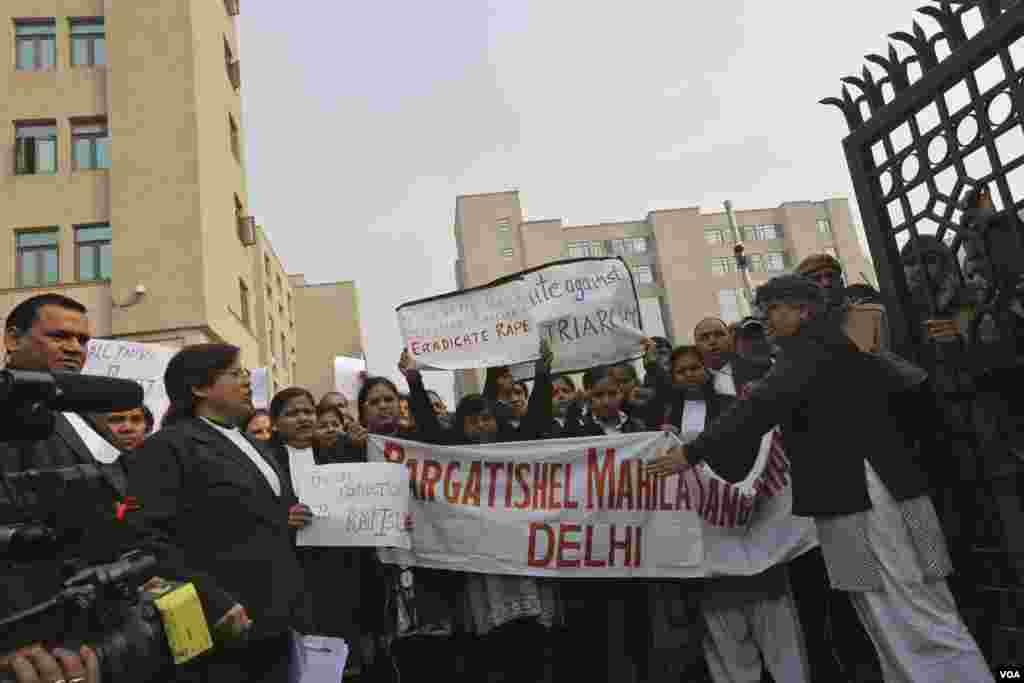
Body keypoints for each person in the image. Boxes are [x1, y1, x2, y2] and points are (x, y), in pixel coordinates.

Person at [648, 274, 994, 682]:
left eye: (774, 309)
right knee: (879, 607)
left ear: (803, 310)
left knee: (910, 605)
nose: (767, 320)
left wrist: (690, 453)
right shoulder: (828, 346)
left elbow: (755, 410)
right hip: (857, 497)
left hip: (865, 495)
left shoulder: (811, 348)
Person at [0, 294, 226, 683]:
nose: (74, 348)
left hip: (108, 627)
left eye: (83, 340)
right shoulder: (12, 416)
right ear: (13, 338)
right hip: (41, 644)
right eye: (59, 336)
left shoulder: (85, 413)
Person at [126, 344, 312, 682]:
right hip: (224, 629)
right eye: (235, 373)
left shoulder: (255, 444)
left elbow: (261, 516)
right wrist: (213, 601)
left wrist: (291, 516)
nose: (247, 382)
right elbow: (152, 540)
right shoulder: (169, 447)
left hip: (279, 618)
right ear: (199, 387)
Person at [644, 340, 811, 683]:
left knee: (778, 634)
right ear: (672, 378)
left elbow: (748, 447)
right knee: (726, 637)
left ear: (706, 369)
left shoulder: (732, 405)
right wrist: (662, 439)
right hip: (704, 542)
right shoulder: (663, 418)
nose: (689, 375)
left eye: (694, 367)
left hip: (749, 526)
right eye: (681, 371)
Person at [401, 345, 560, 682]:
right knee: (490, 647)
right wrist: (414, 381)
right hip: (479, 564)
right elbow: (428, 426)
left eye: (486, 417)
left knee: (534, 643)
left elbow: (537, 419)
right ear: (461, 424)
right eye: (472, 419)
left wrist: (543, 374)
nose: (480, 424)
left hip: (521, 556)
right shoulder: (450, 456)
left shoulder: (516, 448)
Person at [267, 387, 368, 679]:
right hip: (291, 572)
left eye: (308, 411)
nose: (303, 419)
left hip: (339, 571)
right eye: (292, 413)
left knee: (342, 654)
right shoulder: (266, 460)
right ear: (274, 422)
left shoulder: (339, 452)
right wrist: (283, 519)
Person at [797, 253, 890, 354]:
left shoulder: (873, 315)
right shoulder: (797, 326)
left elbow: (888, 363)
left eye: (831, 276)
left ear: (841, 282)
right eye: (816, 279)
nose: (826, 283)